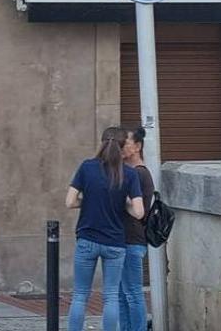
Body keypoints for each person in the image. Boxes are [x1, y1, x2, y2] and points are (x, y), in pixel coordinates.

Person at [66, 127, 146, 331]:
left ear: (101, 143)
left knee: (80, 295)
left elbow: (69, 202)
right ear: (122, 148)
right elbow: (139, 212)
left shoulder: (87, 167)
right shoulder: (128, 174)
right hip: (115, 242)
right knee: (110, 296)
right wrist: (123, 202)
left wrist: (89, 200)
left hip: (87, 238)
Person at [119, 127, 155, 331]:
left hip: (132, 239)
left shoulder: (138, 174)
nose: (122, 147)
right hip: (124, 239)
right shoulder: (128, 172)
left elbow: (138, 209)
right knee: (122, 294)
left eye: (126, 143)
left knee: (132, 293)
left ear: (138, 146)